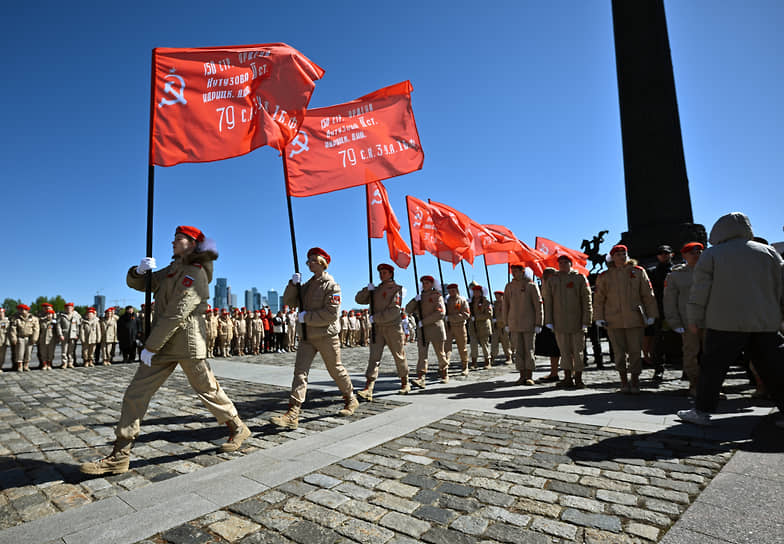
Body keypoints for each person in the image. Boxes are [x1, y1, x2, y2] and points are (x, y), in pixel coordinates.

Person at [80, 226, 251, 475]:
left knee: (207, 390)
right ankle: (120, 454)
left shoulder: (195, 271)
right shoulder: (172, 269)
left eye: (178, 239)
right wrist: (139, 272)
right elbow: (142, 285)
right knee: (135, 393)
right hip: (162, 343)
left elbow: (177, 312)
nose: (173, 242)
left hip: (186, 343)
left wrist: (150, 346)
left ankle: (237, 427)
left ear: (192, 244)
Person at [677, 213, 784, 426]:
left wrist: (694, 319)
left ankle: (702, 412)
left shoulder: (713, 254)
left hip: (724, 322)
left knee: (713, 369)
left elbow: (700, 291)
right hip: (764, 322)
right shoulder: (769, 252)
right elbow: (781, 288)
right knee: (775, 369)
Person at [269, 247, 358, 429]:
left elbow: (331, 314)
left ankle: (350, 398)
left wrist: (306, 317)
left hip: (326, 334)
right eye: (307, 260)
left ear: (322, 262)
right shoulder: (307, 285)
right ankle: (293, 412)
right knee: (300, 373)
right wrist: (292, 285)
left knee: (335, 370)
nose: (308, 263)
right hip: (307, 336)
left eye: (312, 260)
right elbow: (290, 301)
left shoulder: (332, 286)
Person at [594, 245, 658, 394]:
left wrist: (652, 315)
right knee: (619, 353)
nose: (622, 257)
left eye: (624, 254)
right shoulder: (604, 276)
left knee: (636, 351)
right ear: (612, 258)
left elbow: (648, 295)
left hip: (635, 318)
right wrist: (598, 317)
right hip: (613, 320)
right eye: (618, 254)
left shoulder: (638, 272)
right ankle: (623, 381)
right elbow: (598, 299)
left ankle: (635, 381)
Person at [355, 263, 410, 399]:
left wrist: (376, 318)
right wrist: (367, 290)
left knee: (399, 355)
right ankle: (369, 387)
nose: (381, 274)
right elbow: (359, 300)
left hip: (392, 327)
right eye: (380, 272)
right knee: (374, 357)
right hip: (377, 328)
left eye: (385, 272)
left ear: (391, 274)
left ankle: (405, 382)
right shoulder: (376, 289)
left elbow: (394, 311)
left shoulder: (397, 289)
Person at [544, 255, 593, 389]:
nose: (563, 264)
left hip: (577, 321)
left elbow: (587, 300)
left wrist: (586, 320)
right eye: (560, 262)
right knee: (564, 351)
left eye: (566, 262)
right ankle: (567, 378)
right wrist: (548, 320)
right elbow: (548, 301)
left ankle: (578, 378)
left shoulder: (579, 278)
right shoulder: (553, 280)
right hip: (559, 322)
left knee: (578, 351)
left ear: (571, 264)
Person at [664, 242, 704, 397]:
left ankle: (712, 386)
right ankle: (695, 384)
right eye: (692, 253)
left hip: (711, 319)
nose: (697, 255)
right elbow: (669, 300)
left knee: (712, 355)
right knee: (691, 354)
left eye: (699, 252)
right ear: (684, 256)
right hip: (689, 321)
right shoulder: (676, 274)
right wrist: (674, 322)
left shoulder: (711, 271)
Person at [405, 275, 450, 387]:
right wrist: (414, 301)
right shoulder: (420, 297)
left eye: (427, 283)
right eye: (423, 283)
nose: (425, 285)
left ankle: (444, 373)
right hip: (423, 331)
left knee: (440, 354)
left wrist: (423, 322)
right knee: (422, 355)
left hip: (435, 329)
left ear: (432, 284)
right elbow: (408, 309)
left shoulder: (437, 296)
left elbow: (440, 313)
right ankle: (421, 377)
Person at [503, 265, 543, 386]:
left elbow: (538, 306)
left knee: (529, 350)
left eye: (516, 271)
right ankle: (521, 375)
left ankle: (529, 376)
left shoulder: (531, 285)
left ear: (522, 272)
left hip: (529, 324)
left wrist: (539, 323)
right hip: (514, 323)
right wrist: (506, 323)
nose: (513, 274)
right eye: (512, 271)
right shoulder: (509, 286)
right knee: (518, 351)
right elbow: (505, 306)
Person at [646, 244, 675, 381]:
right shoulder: (652, 272)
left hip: (678, 309)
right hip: (661, 310)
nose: (664, 255)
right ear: (658, 256)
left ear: (671, 254)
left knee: (683, 340)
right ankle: (659, 369)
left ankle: (688, 370)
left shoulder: (678, 270)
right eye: (661, 253)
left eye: (666, 253)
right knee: (659, 342)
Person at [535, 267, 561, 383]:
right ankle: (554, 373)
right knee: (553, 349)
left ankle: (571, 373)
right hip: (548, 321)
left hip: (561, 320)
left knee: (566, 348)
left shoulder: (560, 288)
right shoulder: (543, 288)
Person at [444, 283, 470, 376]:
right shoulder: (446, 301)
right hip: (448, 327)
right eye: (450, 291)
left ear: (457, 290)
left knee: (462, 348)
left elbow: (466, 314)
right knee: (446, 348)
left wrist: (450, 318)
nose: (451, 292)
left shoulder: (462, 300)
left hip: (459, 326)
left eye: (453, 290)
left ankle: (465, 366)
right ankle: (445, 366)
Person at [469, 283, 494, 368]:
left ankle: (487, 361)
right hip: (473, 326)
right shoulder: (470, 302)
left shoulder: (486, 302)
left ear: (481, 292)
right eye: (474, 291)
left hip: (483, 326)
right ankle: (474, 362)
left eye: (477, 291)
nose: (475, 293)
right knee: (473, 345)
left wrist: (477, 317)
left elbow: (489, 314)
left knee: (484, 344)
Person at [9, 304, 40, 371]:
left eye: (24, 309)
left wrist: (35, 338)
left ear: (28, 310)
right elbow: (13, 329)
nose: (22, 311)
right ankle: (20, 366)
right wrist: (13, 338)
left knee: (28, 352)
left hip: (29, 338)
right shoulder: (15, 318)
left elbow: (36, 329)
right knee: (19, 352)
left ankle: (26, 365)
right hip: (20, 337)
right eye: (21, 309)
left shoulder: (33, 318)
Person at [490, 291, 512, 365]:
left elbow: (507, 315)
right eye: (496, 296)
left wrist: (498, 319)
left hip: (503, 326)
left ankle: (508, 357)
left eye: (498, 296)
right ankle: (492, 357)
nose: (497, 297)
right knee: (494, 343)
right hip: (496, 327)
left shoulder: (505, 304)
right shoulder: (494, 304)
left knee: (506, 343)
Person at [57, 302, 81, 368]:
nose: (68, 309)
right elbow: (58, 326)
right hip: (64, 335)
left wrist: (77, 334)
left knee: (71, 350)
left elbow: (78, 326)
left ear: (72, 308)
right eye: (67, 308)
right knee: (64, 350)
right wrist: (60, 334)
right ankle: (64, 363)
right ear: (65, 309)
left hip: (73, 335)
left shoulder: (76, 316)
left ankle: (70, 362)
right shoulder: (61, 316)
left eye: (70, 308)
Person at [0, 308, 9, 372]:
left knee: (2, 356)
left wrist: (8, 342)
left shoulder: (7, 322)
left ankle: (0, 367)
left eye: (2, 312)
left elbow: (8, 332)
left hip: (3, 341)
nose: (0, 314)